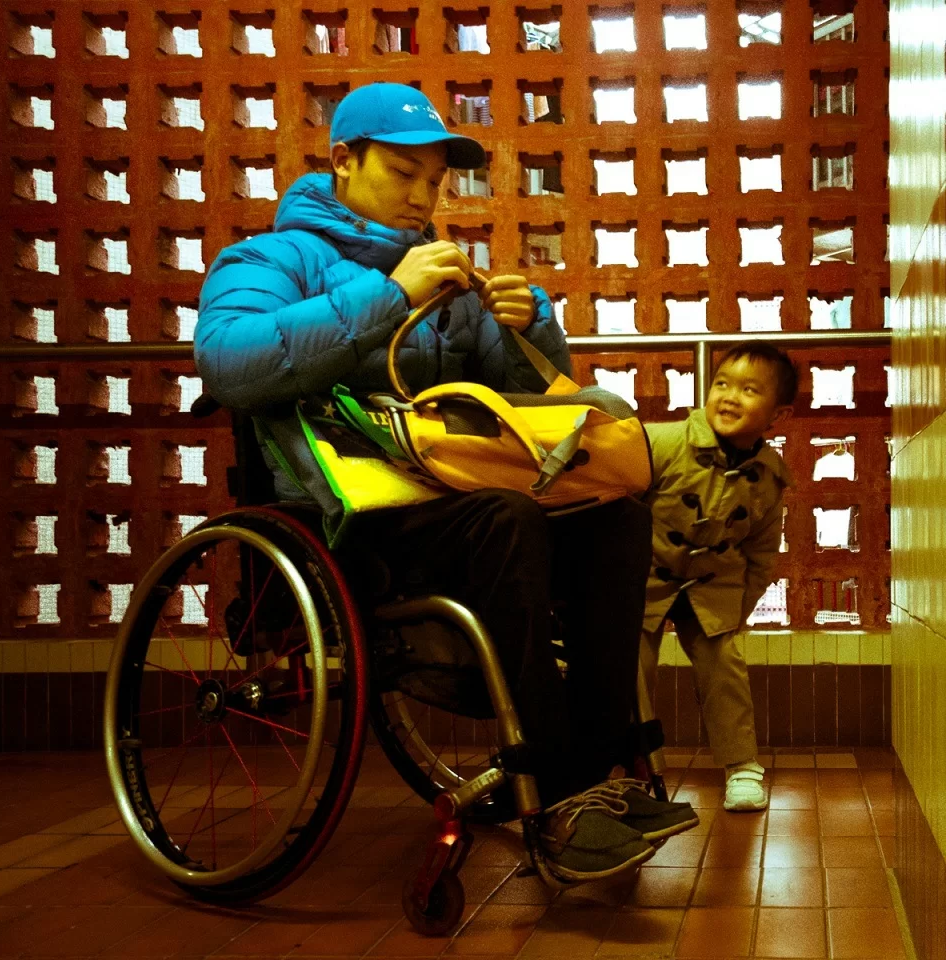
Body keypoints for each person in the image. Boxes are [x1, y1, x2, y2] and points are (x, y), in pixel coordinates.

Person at [195, 82, 698, 880]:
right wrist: (390, 294)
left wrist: (530, 327)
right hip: (345, 518)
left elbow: (523, 413)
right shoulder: (269, 260)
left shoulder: (448, 281)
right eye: (403, 174)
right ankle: (559, 795)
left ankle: (604, 772)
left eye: (434, 181)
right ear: (343, 161)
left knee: (614, 519)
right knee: (506, 518)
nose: (422, 197)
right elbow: (230, 363)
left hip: (456, 503)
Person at [639, 341, 797, 811]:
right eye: (722, 384)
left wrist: (738, 606)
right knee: (629, 668)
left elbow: (762, 551)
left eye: (749, 390)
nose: (729, 396)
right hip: (644, 580)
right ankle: (633, 767)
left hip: (714, 585)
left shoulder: (769, 477)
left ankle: (741, 765)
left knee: (724, 668)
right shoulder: (662, 442)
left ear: (778, 415)